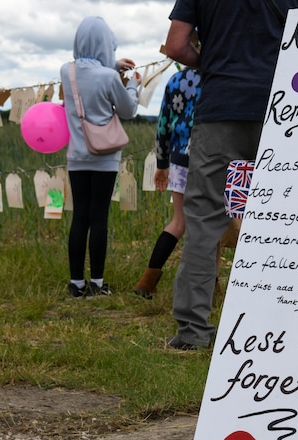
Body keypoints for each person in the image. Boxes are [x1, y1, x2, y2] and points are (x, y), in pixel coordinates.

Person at [163, 0, 298, 349]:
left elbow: (177, 45)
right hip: (286, 107)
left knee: (204, 219)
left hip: (220, 108)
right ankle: (285, 324)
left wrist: (212, 64)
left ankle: (193, 332)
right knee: (289, 219)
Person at [60, 16, 141, 298]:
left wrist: (113, 67)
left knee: (79, 216)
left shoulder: (66, 71)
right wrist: (131, 84)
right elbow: (128, 110)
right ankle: (97, 283)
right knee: (99, 217)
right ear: (107, 43)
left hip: (77, 155)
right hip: (106, 157)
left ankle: (76, 283)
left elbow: (87, 74)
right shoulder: (109, 77)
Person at [133, 65, 202, 300]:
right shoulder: (220, 73)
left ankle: (147, 281)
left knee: (178, 222)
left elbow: (163, 123)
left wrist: (162, 164)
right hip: (211, 157)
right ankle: (209, 288)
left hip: (180, 158)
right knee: (209, 227)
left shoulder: (176, 80)